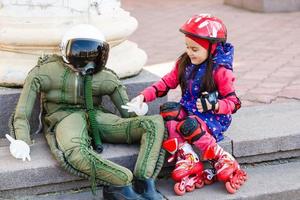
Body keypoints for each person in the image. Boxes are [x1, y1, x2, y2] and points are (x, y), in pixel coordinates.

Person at [8, 24, 166, 200]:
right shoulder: (46, 72)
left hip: (97, 115)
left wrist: (138, 110)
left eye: (93, 54)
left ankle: (145, 182)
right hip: (64, 118)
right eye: (79, 52)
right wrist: (21, 139)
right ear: (64, 50)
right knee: (75, 151)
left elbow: (128, 114)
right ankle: (120, 181)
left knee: (153, 123)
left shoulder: (105, 77)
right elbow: (22, 112)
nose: (85, 59)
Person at [127, 14, 247, 194]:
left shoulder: (221, 71)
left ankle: (222, 158)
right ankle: (187, 155)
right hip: (190, 110)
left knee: (189, 125)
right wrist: (144, 96)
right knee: (168, 111)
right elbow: (166, 83)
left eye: (195, 49)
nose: (189, 52)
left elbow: (234, 103)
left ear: (212, 48)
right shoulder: (185, 62)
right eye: (187, 47)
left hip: (213, 118)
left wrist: (214, 105)